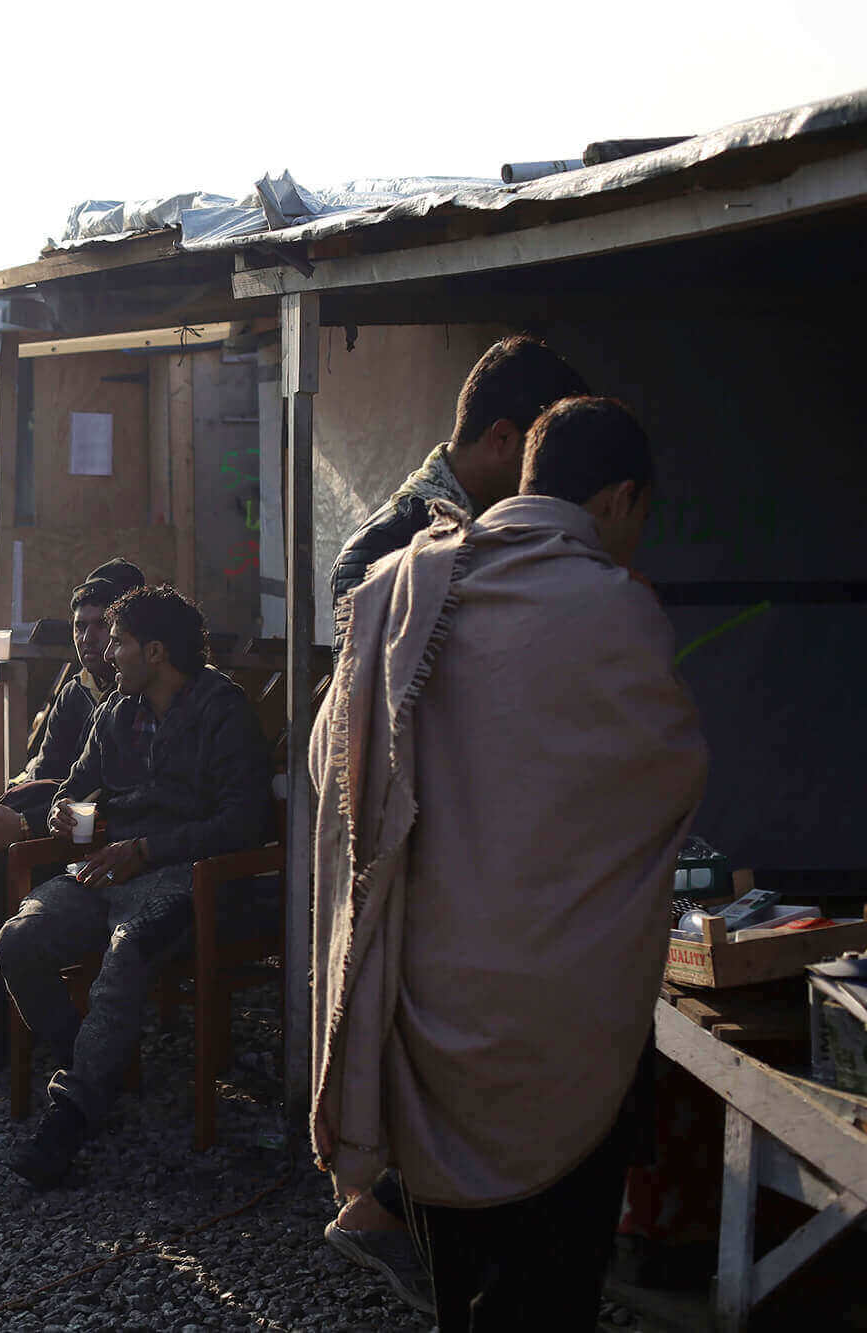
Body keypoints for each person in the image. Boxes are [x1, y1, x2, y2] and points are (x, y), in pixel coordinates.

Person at [312, 398, 705, 1332]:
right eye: (638, 517)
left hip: (424, 1010)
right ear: (618, 498)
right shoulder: (616, 608)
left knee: (462, 1294)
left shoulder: (399, 589)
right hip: (563, 1026)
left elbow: (340, 782)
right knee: (552, 1290)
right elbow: (671, 781)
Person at [321, 333, 588, 1304]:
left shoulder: (467, 527)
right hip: (426, 858)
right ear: (507, 437)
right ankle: (398, 1221)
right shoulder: (400, 542)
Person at [0, 585, 272, 1188]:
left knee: (125, 958)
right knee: (17, 941)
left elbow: (244, 821)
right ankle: (93, 1067)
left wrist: (147, 849)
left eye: (117, 642)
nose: (107, 654)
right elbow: (72, 787)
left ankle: (68, 1116)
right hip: (102, 869)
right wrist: (59, 814)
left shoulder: (220, 710)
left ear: (154, 651)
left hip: (183, 877)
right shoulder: (114, 712)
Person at [0, 557, 144, 1080]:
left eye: (100, 625)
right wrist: (10, 812)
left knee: (10, 840)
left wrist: (22, 819)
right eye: (79, 626)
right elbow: (50, 771)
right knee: (7, 849)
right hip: (58, 832)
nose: (87, 637)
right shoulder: (77, 691)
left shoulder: (145, 697)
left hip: (108, 839)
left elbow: (114, 793)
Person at [330, 335, 588, 612]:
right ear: (502, 438)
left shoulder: (522, 530)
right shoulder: (380, 550)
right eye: (544, 450)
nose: (555, 470)